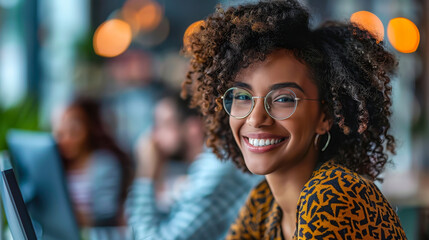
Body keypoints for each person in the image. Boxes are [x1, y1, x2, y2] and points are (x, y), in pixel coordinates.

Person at [182, 0, 407, 239]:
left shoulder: (334, 194)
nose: (256, 118)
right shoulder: (264, 204)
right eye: (242, 96)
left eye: (283, 99)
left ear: (325, 116)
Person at [126, 93, 262, 240]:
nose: (153, 137)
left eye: (165, 124)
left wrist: (146, 173)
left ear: (193, 128)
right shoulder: (210, 164)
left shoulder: (214, 168)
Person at [54, 97, 133, 227]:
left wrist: (64, 214)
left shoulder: (105, 164)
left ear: (89, 128)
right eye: (61, 133)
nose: (66, 139)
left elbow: (106, 216)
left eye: (74, 131)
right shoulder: (56, 165)